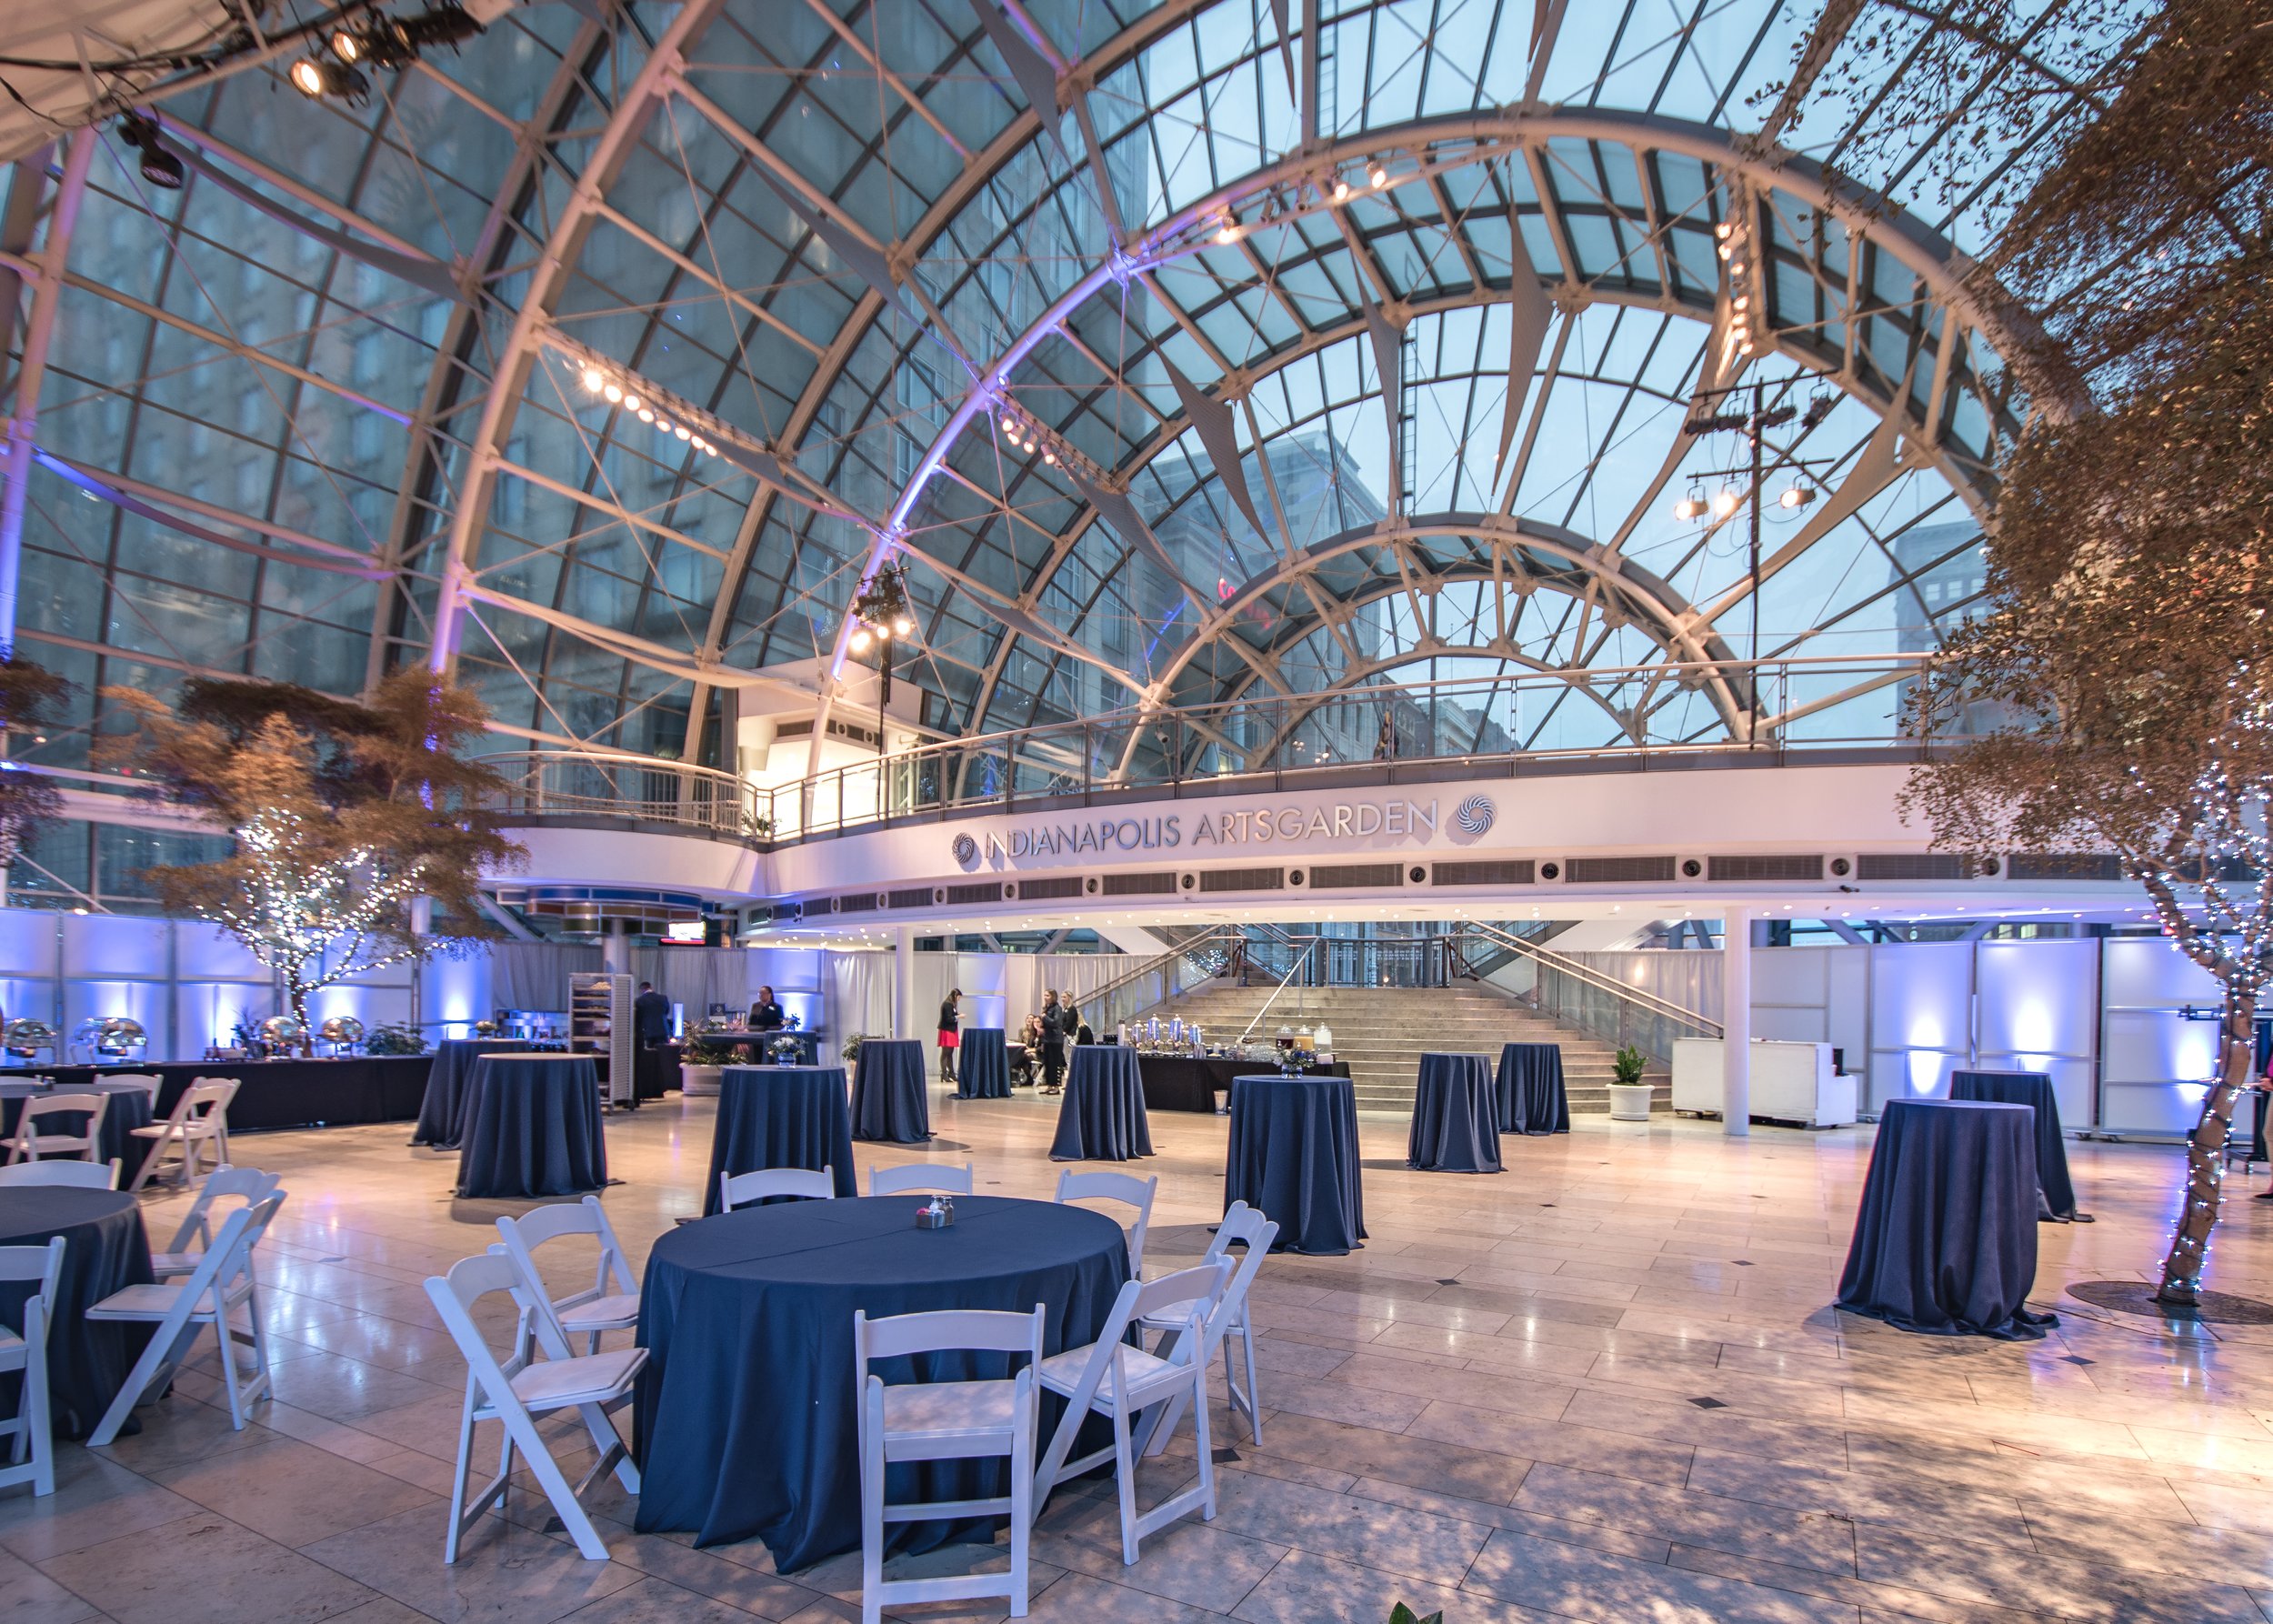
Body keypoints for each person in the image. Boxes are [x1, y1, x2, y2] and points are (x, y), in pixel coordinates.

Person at [1039, 989, 1066, 1094]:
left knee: (1055, 1063)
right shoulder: (1047, 1008)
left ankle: (1056, 1086)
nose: (1045, 997)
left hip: (1055, 1040)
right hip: (1048, 1039)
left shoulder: (1057, 1008)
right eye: (1044, 995)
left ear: (1053, 996)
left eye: (1047, 995)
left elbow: (1056, 1022)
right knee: (1048, 1063)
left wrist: (1045, 1018)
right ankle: (1050, 1084)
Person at [632, 980, 670, 1047]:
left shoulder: (639, 1000)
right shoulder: (663, 998)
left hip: (649, 1032)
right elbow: (666, 1012)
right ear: (651, 988)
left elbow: (638, 1018)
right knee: (665, 1053)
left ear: (642, 989)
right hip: (663, 1031)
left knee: (651, 1054)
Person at [936, 987, 962, 1085]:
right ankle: (944, 1073)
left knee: (950, 1052)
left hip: (951, 1030)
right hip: (947, 1030)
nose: (959, 999)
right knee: (945, 1052)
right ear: (955, 996)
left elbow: (953, 1015)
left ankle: (951, 1073)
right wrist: (958, 1017)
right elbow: (948, 1018)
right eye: (959, 997)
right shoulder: (947, 1004)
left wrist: (957, 1015)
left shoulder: (952, 1005)